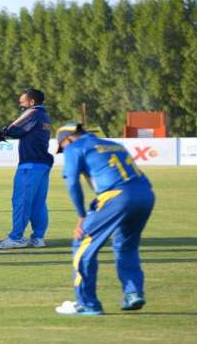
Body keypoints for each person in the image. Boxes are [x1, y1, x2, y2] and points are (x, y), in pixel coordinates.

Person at [54, 123, 155, 316]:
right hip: (145, 194)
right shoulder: (113, 144)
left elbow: (72, 182)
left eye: (63, 146)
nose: (64, 149)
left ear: (68, 139)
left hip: (117, 196)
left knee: (82, 243)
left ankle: (87, 303)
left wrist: (82, 216)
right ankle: (132, 293)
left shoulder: (74, 147)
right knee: (126, 246)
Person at [0, 89, 54, 249]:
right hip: (42, 164)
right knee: (38, 203)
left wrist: (0, 132)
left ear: (32, 102)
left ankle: (16, 237)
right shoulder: (45, 116)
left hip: (30, 165)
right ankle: (38, 237)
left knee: (21, 201)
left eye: (22, 101)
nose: (20, 104)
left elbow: (13, 129)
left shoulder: (33, 113)